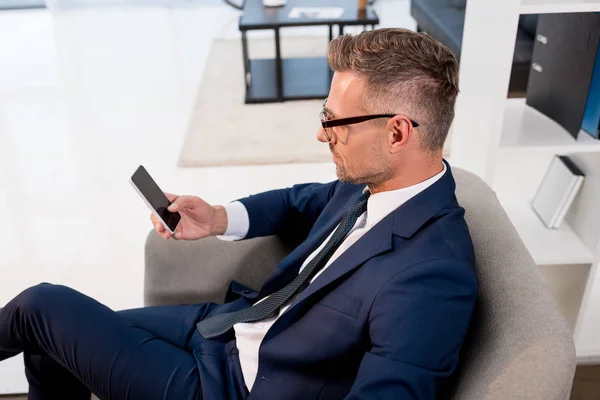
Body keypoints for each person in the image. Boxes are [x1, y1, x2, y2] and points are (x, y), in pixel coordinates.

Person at [0, 28, 478, 399]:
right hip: (223, 330)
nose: (322, 135)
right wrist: (215, 218)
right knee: (50, 344)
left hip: (230, 390)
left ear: (396, 134)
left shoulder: (432, 277)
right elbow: (296, 202)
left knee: (40, 305)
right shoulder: (375, 184)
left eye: (335, 123)